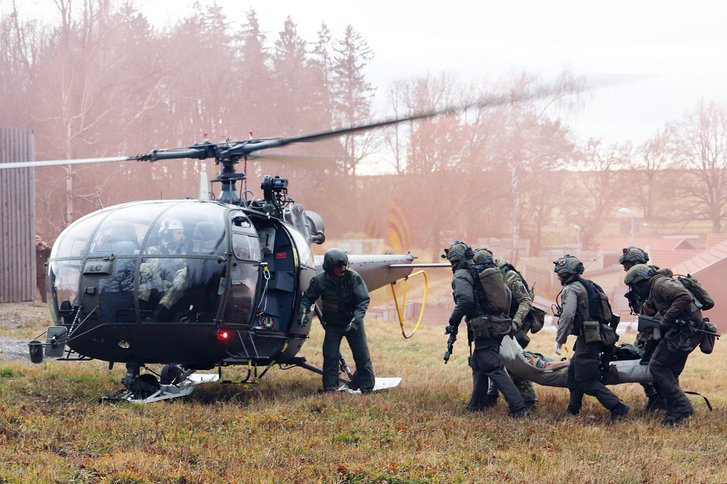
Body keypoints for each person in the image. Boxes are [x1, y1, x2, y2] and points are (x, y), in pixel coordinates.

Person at [443, 241, 528, 418]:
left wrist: (453, 321)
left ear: (453, 260)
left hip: (485, 327)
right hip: (497, 325)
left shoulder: (461, 275)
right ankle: (477, 405)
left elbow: (465, 300)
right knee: (479, 363)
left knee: (491, 366)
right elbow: (508, 293)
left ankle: (519, 408)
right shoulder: (480, 272)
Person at [624, 263, 705, 425]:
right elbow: (656, 330)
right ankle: (671, 404)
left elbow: (684, 297)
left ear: (640, 282)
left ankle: (681, 408)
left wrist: (667, 320)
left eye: (634, 286)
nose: (634, 290)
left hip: (685, 333)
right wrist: (646, 354)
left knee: (658, 367)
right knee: (670, 370)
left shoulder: (660, 284)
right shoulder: (654, 290)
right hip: (685, 332)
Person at [553, 254, 629, 422]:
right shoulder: (589, 285)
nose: (557, 275)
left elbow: (567, 315)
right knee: (573, 374)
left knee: (586, 380)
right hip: (595, 335)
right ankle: (573, 410)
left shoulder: (571, 289)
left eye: (559, 273)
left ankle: (618, 407)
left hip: (589, 339)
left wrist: (560, 339)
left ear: (566, 273)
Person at [298, 248, 375, 393]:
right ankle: (330, 388)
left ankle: (367, 388)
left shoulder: (353, 278)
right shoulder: (320, 280)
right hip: (333, 325)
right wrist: (303, 311)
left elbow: (363, 300)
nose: (342, 269)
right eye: (338, 266)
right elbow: (308, 298)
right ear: (329, 267)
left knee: (362, 356)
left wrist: (356, 321)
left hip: (353, 323)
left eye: (344, 265)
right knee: (330, 355)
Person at [483, 252, 538, 408]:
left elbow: (525, 301)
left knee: (514, 361)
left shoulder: (510, 277)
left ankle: (529, 400)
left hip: (517, 322)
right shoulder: (492, 276)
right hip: (502, 323)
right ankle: (492, 394)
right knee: (496, 358)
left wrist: (516, 322)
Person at [619, 246, 669, 411]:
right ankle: (657, 397)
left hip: (657, 330)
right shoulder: (638, 279)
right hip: (647, 329)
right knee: (641, 361)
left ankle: (662, 398)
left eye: (626, 264)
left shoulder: (650, 280)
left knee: (647, 362)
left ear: (635, 262)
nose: (624, 268)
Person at [138, 217, 189, 321]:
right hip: (158, 285)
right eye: (179, 233)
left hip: (177, 289)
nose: (182, 236)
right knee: (145, 267)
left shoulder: (186, 251)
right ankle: (140, 308)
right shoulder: (153, 250)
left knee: (184, 274)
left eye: (182, 233)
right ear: (167, 234)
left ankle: (161, 312)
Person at [35, 235, 51, 303]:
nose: (37, 242)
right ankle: (32, 301)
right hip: (32, 274)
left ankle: (44, 302)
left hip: (41, 274)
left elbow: (50, 251)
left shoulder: (44, 251)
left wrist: (44, 245)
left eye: (38, 241)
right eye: (35, 241)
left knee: (43, 291)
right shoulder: (31, 251)